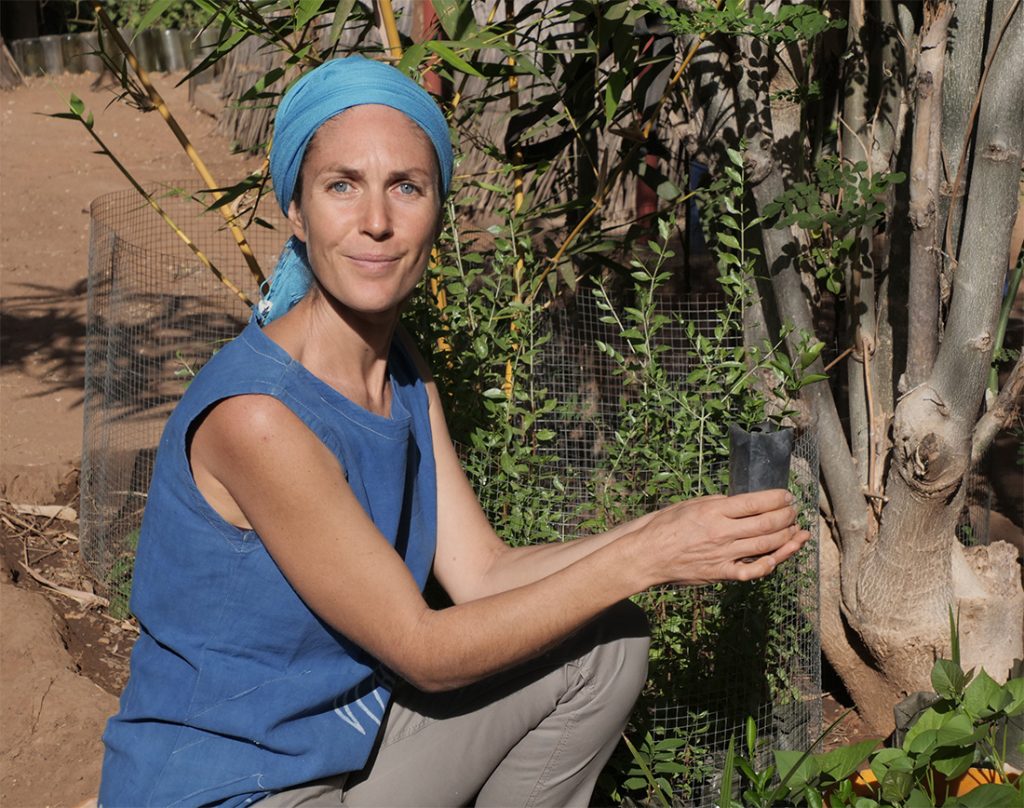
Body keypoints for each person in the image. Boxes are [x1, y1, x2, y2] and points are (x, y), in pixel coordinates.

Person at [98, 55, 810, 807]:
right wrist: (647, 556)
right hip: (229, 792)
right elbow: (426, 653)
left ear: (437, 210)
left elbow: (483, 574)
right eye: (342, 185)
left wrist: (670, 529)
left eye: (406, 186)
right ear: (296, 213)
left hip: (343, 756)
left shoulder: (402, 371)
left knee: (605, 643)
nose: (377, 220)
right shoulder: (260, 417)